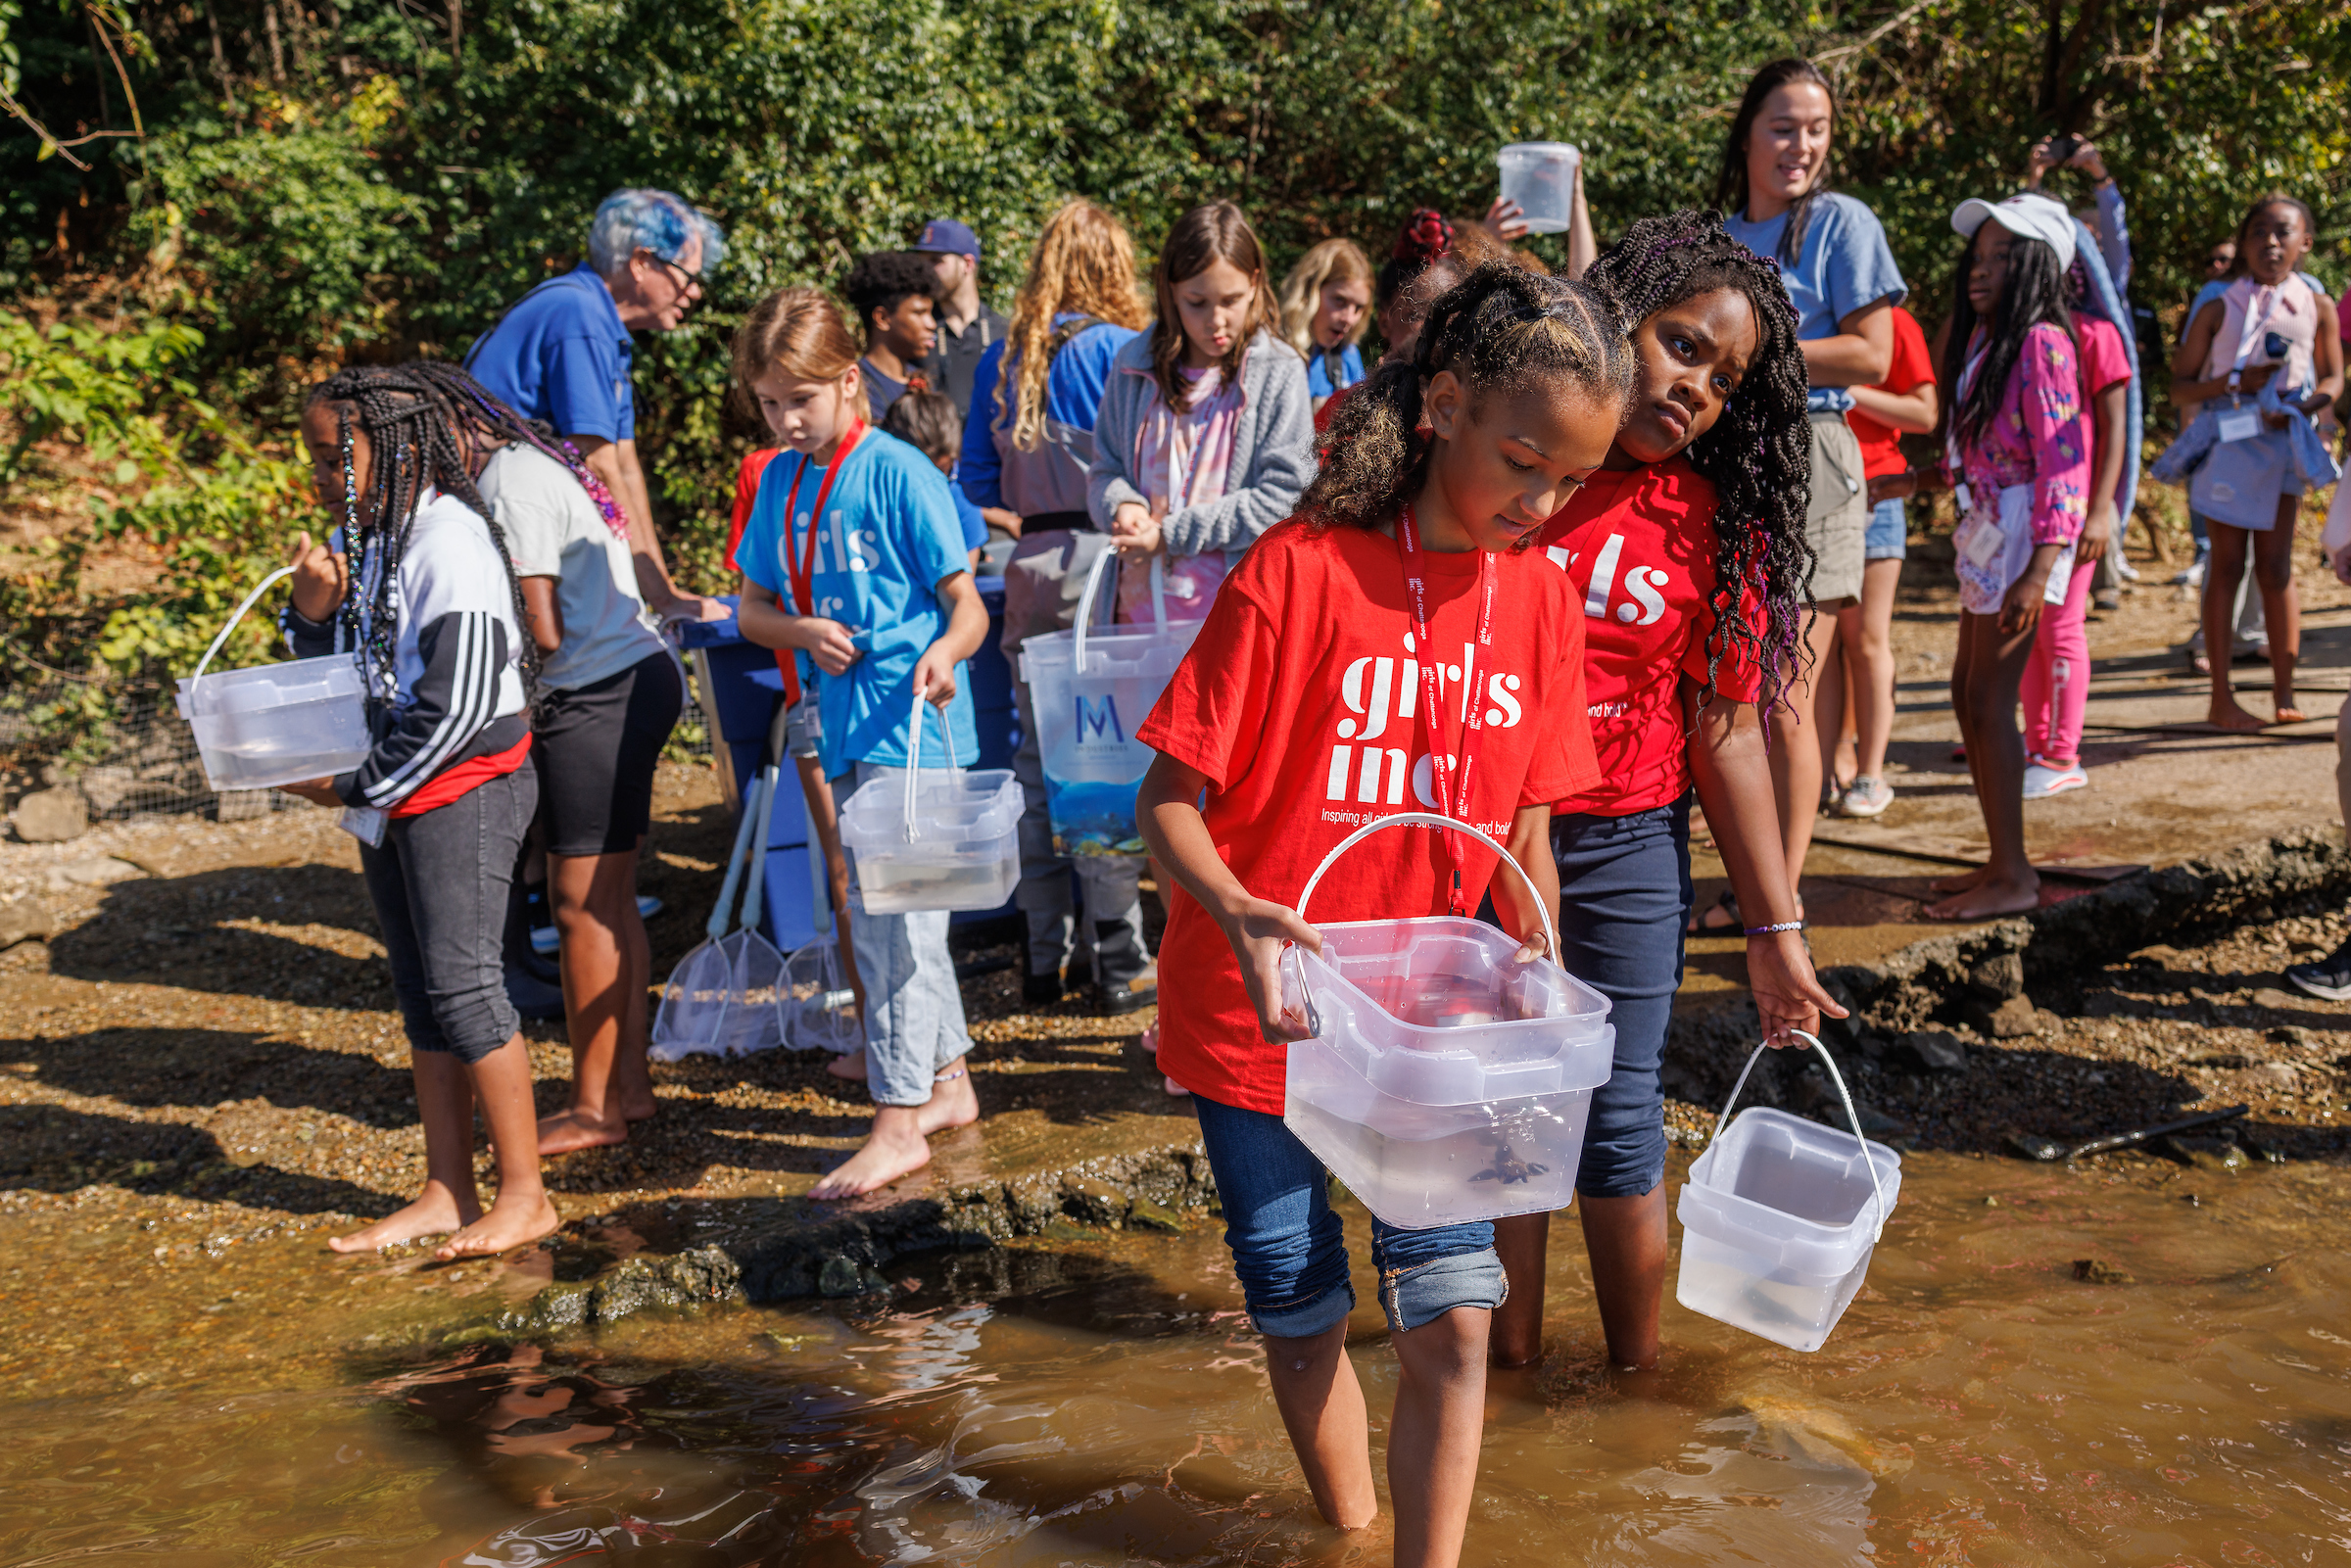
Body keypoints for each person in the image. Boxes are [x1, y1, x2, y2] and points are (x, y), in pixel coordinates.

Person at [1133, 262, 1628, 1565]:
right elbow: (1166, 802)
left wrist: (1542, 948)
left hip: (1431, 1031)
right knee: (1299, 1310)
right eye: (1525, 463)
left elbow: (1525, 823)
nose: (1544, 502)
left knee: (1457, 1317)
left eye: (1573, 481)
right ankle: (1349, 1531)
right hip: (1262, 1023)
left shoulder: (1542, 595)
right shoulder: (1297, 572)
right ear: (1445, 405)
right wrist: (1241, 914)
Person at [1492, 213, 1845, 1372]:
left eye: (1726, 377)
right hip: (1477, 843)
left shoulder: (1721, 525)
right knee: (1506, 1120)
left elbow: (1730, 734)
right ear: (1615, 320)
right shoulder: (1516, 462)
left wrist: (1775, 925)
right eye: (1682, 344)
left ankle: (1637, 1387)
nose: (1696, 385)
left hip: (1627, 842)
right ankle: (1507, 1372)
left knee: (1617, 1112)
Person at [278, 364, 557, 1259]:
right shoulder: (366, 540)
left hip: (463, 789)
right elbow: (343, 678)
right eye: (317, 462)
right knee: (423, 997)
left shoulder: (449, 541)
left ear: (392, 449)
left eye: (335, 459)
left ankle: (526, 1193)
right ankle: (447, 1187)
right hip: (398, 793)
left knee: (469, 989)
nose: (323, 478)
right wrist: (309, 615)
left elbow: (466, 702)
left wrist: (356, 785)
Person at [730, 286, 991, 1198]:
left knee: (893, 926)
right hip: (840, 730)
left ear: (849, 382)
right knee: (896, 918)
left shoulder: (899, 471)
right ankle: (947, 1085)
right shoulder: (781, 482)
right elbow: (751, 608)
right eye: (769, 402)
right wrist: (800, 631)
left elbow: (968, 609)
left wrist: (945, 656)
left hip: (914, 735)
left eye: (799, 398)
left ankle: (895, 1122)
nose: (785, 418)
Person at [416, 362, 685, 1155]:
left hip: (596, 693)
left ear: (466, 425)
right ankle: (626, 1089)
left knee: (580, 906)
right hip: (628, 675)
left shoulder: (509, 480)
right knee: (607, 899)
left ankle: (596, 1107)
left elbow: (542, 628)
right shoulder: (530, 461)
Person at [1716, 57, 1906, 919]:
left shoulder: (1841, 220)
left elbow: (1871, 354)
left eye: (1817, 128)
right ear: (1748, 133)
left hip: (1814, 457)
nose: (1802, 145)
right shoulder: (1720, 236)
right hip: (1728, 462)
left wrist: (1745, 351)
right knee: (1736, 691)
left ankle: (1775, 905)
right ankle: (1758, 886)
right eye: (1784, 126)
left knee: (1785, 696)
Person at [956, 199, 1153, 1013]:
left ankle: (1045, 957)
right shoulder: (1122, 351)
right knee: (1102, 763)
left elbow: (973, 480)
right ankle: (1120, 960)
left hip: (1032, 564)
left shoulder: (1000, 360)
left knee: (1036, 763)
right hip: (1107, 564)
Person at [1922, 194, 2090, 921]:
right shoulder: (1989, 341)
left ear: (2035, 266)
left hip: (2024, 539)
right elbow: (1987, 448)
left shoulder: (2044, 341)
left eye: (2000, 257)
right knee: (1968, 693)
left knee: (1991, 702)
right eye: (1978, 256)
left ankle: (2015, 873)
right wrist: (1917, 480)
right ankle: (2000, 860)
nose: (1980, 270)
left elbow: (2065, 464)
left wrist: (2041, 567)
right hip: (1987, 529)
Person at [466, 187, 724, 625]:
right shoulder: (578, 313)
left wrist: (665, 590)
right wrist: (664, 601)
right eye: (688, 274)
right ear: (642, 263)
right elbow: (599, 462)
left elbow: (624, 466)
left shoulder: (602, 322)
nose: (695, 292)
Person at [1092, 199, 1316, 629]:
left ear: (1254, 283)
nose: (1217, 321)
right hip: (1134, 622)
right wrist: (1120, 504)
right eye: (1197, 302)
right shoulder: (1131, 364)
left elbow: (1286, 495)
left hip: (1233, 622)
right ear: (1170, 290)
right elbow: (1104, 469)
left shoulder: (1279, 369)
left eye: (1230, 300)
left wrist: (1168, 535)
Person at [2170, 198, 2342, 729]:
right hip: (2229, 442)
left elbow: (2333, 377)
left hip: (2284, 442)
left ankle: (2282, 692)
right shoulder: (2220, 306)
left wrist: (2309, 406)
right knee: (2226, 564)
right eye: (2258, 232)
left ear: (2305, 243)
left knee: (2276, 565)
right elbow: (2180, 386)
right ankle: (2221, 697)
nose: (2271, 242)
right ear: (2243, 244)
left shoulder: (2317, 304)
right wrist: (2231, 385)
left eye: (2283, 232)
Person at [2018, 249, 2134, 799]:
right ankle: (2035, 743)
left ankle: (2063, 751)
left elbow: (2117, 427)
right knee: (2033, 628)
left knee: (2062, 628)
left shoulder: (2096, 332)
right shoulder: (2025, 331)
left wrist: (2102, 507)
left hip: (2074, 509)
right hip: (2030, 507)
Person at [1827, 304, 1937, 821]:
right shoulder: (1806, 315)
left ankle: (1871, 774)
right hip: (1814, 495)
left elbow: (1924, 413)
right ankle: (1829, 768)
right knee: (1818, 646)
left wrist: (1846, 393)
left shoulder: (1894, 322)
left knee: (1866, 641)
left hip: (1878, 493)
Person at [883, 388, 992, 568]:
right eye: (923, 477)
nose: (935, 486)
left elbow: (965, 585)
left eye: (944, 472)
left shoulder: (959, 493)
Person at [911, 219, 1008, 422]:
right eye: (922, 262)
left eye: (936, 260)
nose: (926, 271)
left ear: (968, 264)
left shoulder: (1004, 332)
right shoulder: (917, 333)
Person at [841, 251, 941, 422]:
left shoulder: (922, 382)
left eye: (930, 312)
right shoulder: (856, 388)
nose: (931, 324)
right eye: (919, 312)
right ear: (882, 318)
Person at [1277, 238, 1374, 410]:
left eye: (1358, 308)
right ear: (1309, 291)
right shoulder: (1273, 350)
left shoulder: (1347, 356)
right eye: (1339, 300)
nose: (1349, 319)